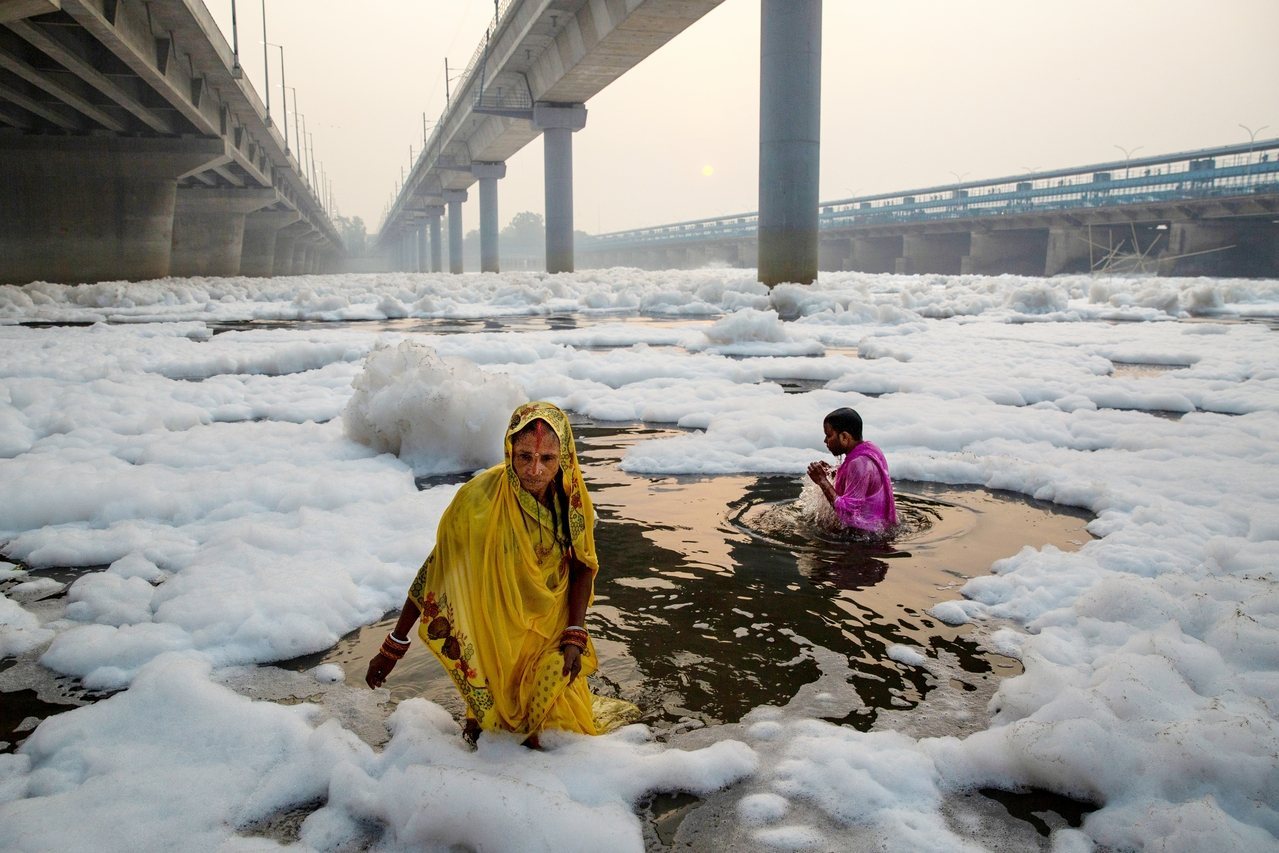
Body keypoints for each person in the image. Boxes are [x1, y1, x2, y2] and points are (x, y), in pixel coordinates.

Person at [366, 401, 633, 746]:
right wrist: (394, 645)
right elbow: (436, 571)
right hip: (498, 630)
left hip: (551, 623)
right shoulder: (478, 502)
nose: (535, 470)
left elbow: (583, 564)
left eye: (547, 459)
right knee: (497, 729)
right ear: (509, 451)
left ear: (564, 457)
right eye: (524, 456)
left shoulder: (571, 499)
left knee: (556, 731)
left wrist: (574, 633)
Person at [806, 407, 898, 536]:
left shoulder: (858, 463)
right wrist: (833, 473)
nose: (825, 441)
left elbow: (848, 513)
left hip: (865, 539)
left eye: (829, 435)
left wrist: (822, 481)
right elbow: (863, 487)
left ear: (844, 437)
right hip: (881, 529)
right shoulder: (871, 449)